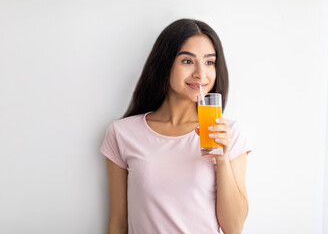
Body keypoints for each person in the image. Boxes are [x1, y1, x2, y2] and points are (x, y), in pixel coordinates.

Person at [100, 18, 252, 234]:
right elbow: (118, 223)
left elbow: (234, 228)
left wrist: (222, 159)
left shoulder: (230, 134)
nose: (201, 73)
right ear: (165, 64)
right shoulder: (122, 133)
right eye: (188, 61)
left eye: (209, 62)